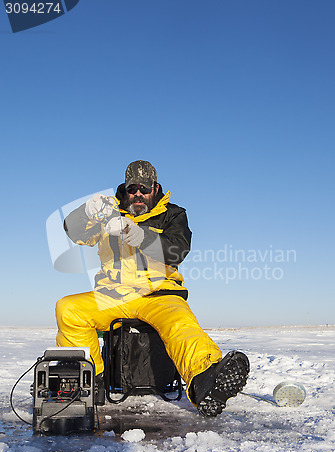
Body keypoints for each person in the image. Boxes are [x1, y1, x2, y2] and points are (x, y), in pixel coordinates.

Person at [56, 160, 249, 416]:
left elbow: (177, 250)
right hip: (114, 296)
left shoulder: (173, 215)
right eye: (132, 188)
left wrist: (140, 236)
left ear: (155, 188)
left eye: (143, 188)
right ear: (125, 190)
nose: (138, 194)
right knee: (68, 309)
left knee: (180, 325)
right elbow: (74, 232)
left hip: (159, 295)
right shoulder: (108, 214)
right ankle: (90, 382)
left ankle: (205, 380)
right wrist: (85, 212)